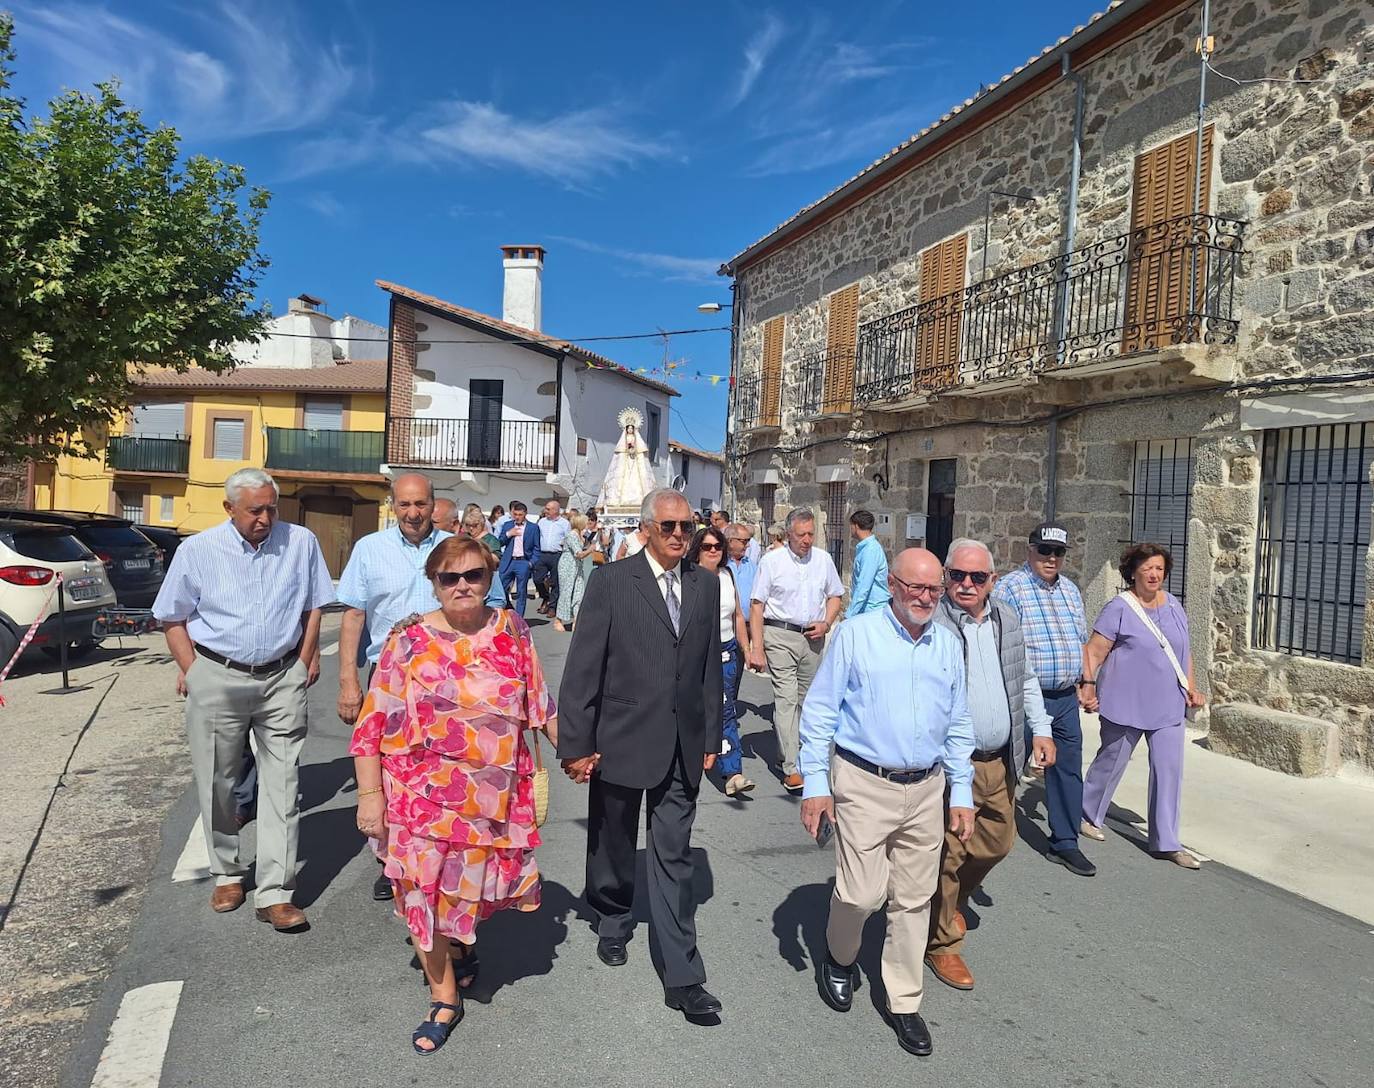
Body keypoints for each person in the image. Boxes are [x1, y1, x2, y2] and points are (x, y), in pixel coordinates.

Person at [350, 536, 556, 1053]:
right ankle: (443, 997)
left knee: (462, 891)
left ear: (491, 578)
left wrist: (580, 756)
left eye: (473, 576)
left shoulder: (512, 630)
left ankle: (459, 947)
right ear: (434, 583)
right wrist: (369, 795)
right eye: (449, 578)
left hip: (488, 800)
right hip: (418, 794)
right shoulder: (408, 641)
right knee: (420, 888)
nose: (462, 586)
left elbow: (541, 704)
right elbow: (372, 725)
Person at [798, 548, 974, 1057]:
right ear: (892, 584)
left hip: (926, 787)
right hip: (863, 781)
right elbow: (821, 711)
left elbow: (958, 722)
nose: (924, 597)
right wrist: (815, 785)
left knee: (915, 898)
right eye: (914, 587)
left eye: (933, 589)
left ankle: (903, 1000)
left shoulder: (946, 643)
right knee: (858, 895)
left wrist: (959, 791)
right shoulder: (857, 634)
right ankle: (839, 956)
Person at [557, 488, 725, 1019]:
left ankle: (683, 976)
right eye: (670, 526)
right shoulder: (611, 580)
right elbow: (584, 666)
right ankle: (611, 915)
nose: (681, 535)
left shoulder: (706, 585)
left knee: (673, 856)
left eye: (687, 526)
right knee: (612, 838)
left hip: (682, 741)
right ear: (648, 529)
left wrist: (711, 735)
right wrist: (578, 744)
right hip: (621, 736)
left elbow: (705, 669)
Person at [153, 468, 334, 930]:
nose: (266, 517)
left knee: (283, 787)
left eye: (271, 508)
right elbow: (171, 616)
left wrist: (304, 659)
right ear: (230, 508)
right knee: (217, 780)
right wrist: (194, 673)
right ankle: (227, 872)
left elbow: (315, 604)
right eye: (255, 509)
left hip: (281, 677)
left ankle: (276, 891)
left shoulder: (301, 542)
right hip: (218, 674)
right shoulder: (197, 551)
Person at [926, 539, 1055, 990]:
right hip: (951, 765)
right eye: (957, 575)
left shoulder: (1007, 618)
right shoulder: (932, 623)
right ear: (945, 577)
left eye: (976, 577)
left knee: (998, 842)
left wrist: (1040, 729)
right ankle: (940, 943)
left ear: (991, 581)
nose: (966, 584)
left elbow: (1026, 677)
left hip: (1000, 760)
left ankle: (945, 901)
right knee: (949, 852)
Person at [336, 473, 451, 903]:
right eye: (404, 505)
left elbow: (489, 605)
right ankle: (393, 861)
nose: (413, 513)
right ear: (392, 505)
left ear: (433, 504)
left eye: (420, 504)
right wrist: (348, 680)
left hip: (446, 683)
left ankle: (439, 852)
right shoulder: (369, 550)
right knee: (389, 772)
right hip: (387, 682)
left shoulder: (453, 549)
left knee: (439, 773)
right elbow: (353, 617)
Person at [1080, 544, 1206, 870]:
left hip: (1167, 705)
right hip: (1125, 701)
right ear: (1133, 571)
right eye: (1148, 568)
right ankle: (1088, 813)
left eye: (1159, 569)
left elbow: (1183, 652)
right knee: (1111, 762)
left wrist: (1191, 688)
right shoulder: (1119, 608)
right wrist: (1088, 685)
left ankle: (1166, 842)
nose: (1154, 574)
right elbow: (1094, 651)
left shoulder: (1175, 605)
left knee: (1168, 772)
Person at [992, 522, 1097, 877]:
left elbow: (1081, 641)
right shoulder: (1010, 588)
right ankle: (990, 833)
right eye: (1044, 551)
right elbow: (1000, 644)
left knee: (1067, 768)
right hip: (1022, 696)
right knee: (1006, 766)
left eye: (1058, 553)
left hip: (1064, 697)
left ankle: (1065, 842)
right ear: (1030, 550)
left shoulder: (1070, 590)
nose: (1051, 559)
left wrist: (1087, 680)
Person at [747, 508, 844, 792]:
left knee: (807, 701)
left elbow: (836, 596)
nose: (807, 540)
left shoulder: (823, 560)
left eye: (811, 533)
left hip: (812, 638)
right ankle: (793, 767)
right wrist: (757, 648)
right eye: (801, 534)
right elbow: (756, 605)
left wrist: (826, 623)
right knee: (786, 699)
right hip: (779, 634)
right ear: (788, 534)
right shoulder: (771, 561)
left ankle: (785, 750)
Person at [689, 525, 755, 797]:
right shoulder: (687, 577)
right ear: (698, 550)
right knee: (694, 709)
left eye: (718, 546)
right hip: (695, 654)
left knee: (725, 708)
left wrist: (748, 649)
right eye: (707, 546)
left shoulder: (727, 575)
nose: (714, 551)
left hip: (727, 651)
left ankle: (733, 772)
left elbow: (738, 615)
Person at [596, 408, 657, 510]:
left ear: (634, 429)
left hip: (635, 462)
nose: (630, 430)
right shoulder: (622, 441)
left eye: (631, 428)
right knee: (620, 480)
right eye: (628, 428)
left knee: (638, 480)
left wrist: (634, 450)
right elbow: (619, 453)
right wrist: (627, 451)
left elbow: (640, 451)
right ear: (626, 429)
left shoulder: (637, 439)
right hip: (624, 462)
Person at [459, 509, 509, 610]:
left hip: (488, 576)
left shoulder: (491, 540)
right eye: (469, 525)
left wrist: (476, 553)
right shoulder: (465, 538)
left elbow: (496, 559)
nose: (471, 528)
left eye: (475, 525)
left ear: (481, 524)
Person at [497, 501, 540, 618]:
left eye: (520, 514)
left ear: (525, 514)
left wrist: (531, 563)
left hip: (523, 562)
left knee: (521, 592)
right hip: (508, 561)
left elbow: (537, 547)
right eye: (515, 514)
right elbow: (499, 542)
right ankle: (509, 610)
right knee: (500, 588)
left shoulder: (533, 528)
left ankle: (519, 620)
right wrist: (508, 534)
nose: (517, 517)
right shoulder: (507, 525)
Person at [846, 510, 892, 617]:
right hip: (867, 609)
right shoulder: (866, 548)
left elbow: (863, 585)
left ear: (856, 526)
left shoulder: (870, 550)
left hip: (873, 610)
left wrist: (849, 614)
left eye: (851, 526)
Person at [553, 512, 594, 632]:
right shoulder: (572, 535)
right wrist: (591, 550)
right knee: (566, 591)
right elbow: (579, 554)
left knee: (578, 592)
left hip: (577, 566)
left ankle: (577, 620)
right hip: (568, 564)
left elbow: (585, 544)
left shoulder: (580, 535)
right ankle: (558, 620)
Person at [533, 500, 570, 617]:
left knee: (555, 582)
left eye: (548, 509)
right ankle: (546, 597)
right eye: (546, 508)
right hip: (542, 554)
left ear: (556, 510)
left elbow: (568, 539)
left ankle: (552, 607)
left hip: (556, 554)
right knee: (537, 579)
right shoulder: (541, 522)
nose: (546, 511)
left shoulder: (564, 523)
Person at [724, 523, 757, 614]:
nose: (748, 545)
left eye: (748, 541)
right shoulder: (720, 564)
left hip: (748, 625)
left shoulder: (752, 566)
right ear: (730, 541)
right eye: (744, 541)